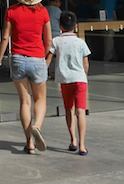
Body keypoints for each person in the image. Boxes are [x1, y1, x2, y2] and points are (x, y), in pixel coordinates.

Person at [0, 0, 52, 155]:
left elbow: (5, 38)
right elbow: (49, 40)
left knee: (25, 101)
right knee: (40, 99)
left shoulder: (11, 11)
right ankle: (37, 126)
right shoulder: (43, 12)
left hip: (17, 58)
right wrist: (44, 59)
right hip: (37, 58)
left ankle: (29, 143)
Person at [47, 11, 91, 155]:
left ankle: (73, 140)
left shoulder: (56, 41)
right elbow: (86, 63)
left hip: (64, 80)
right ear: (76, 26)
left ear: (60, 26)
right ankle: (82, 145)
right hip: (80, 80)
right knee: (81, 112)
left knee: (69, 109)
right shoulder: (81, 42)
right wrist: (84, 75)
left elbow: (48, 58)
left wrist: (43, 72)